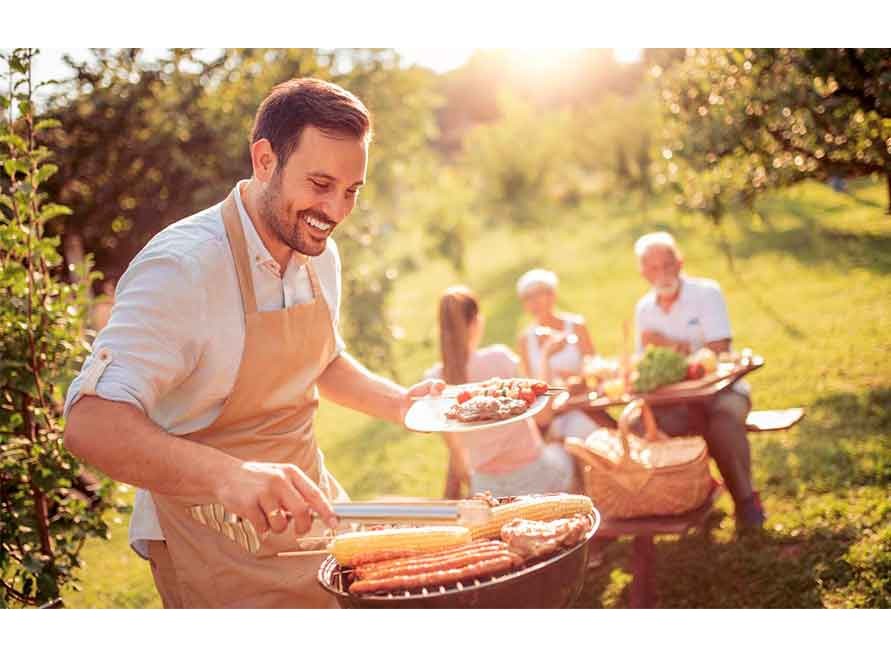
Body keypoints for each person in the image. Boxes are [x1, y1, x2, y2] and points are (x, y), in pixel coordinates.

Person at [62, 78, 445, 608]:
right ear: (265, 159)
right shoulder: (182, 268)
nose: (334, 210)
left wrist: (401, 403)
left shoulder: (315, 250)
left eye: (351, 191)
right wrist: (228, 476)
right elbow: (90, 423)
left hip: (313, 512)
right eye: (319, 184)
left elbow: (320, 360)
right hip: (213, 537)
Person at [632, 231, 764, 529]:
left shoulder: (706, 293)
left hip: (724, 391)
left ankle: (746, 500)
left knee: (722, 425)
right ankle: (693, 495)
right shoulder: (644, 309)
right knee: (647, 429)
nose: (663, 272)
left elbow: (719, 350)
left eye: (668, 263)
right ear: (643, 274)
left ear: (680, 262)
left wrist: (667, 345)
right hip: (676, 400)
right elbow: (645, 367)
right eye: (653, 268)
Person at [425, 286, 578, 499]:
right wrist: (545, 355)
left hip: (486, 489)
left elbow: (459, 463)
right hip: (535, 477)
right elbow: (544, 415)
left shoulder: (434, 380)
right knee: (573, 454)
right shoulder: (499, 359)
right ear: (476, 322)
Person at [515, 269, 605, 439]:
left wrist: (578, 377)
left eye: (538, 295)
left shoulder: (576, 325)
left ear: (552, 295)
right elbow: (527, 386)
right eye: (527, 298)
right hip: (551, 412)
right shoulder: (525, 339)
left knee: (580, 428)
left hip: (583, 403)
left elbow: (595, 368)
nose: (534, 302)